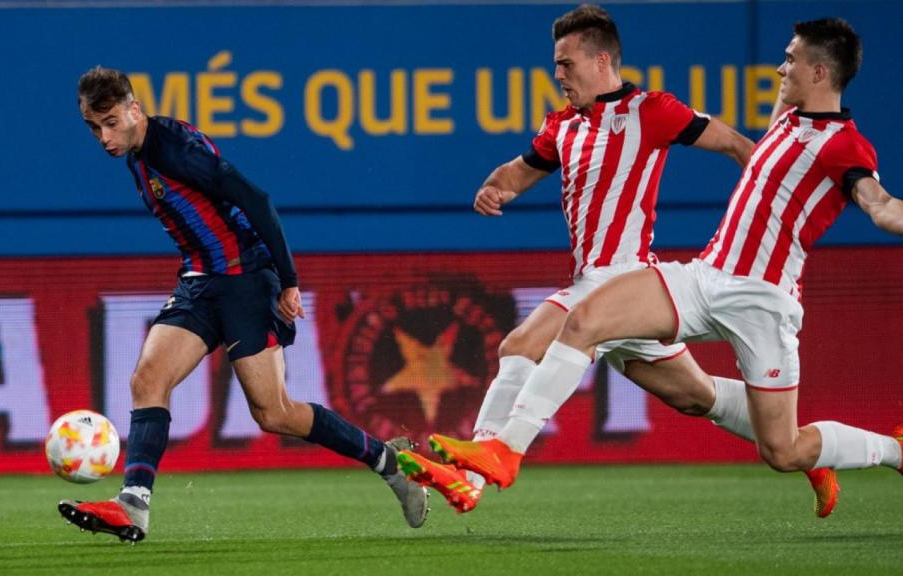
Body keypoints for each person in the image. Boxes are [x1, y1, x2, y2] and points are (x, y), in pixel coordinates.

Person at [426, 18, 903, 512]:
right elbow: (751, 146)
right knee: (592, 328)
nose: (781, 66)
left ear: (820, 72)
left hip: (763, 301)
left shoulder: (843, 144)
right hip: (704, 276)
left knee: (782, 448)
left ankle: (887, 451)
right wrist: (497, 186)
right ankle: (501, 454)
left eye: (792, 59)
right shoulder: (786, 121)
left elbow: (880, 204)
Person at [59, 66, 428, 543]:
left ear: (134, 109)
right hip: (200, 281)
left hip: (245, 280)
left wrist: (288, 280)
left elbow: (256, 200)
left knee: (273, 414)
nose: (104, 137)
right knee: (147, 378)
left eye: (110, 122)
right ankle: (133, 504)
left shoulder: (174, 150)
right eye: (94, 127)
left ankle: (388, 463)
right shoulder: (138, 153)